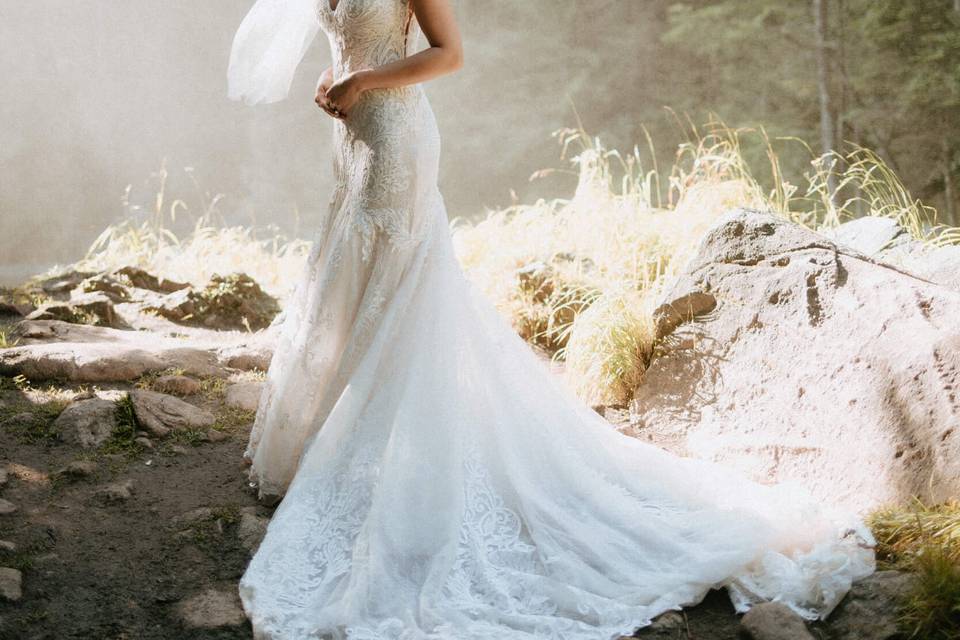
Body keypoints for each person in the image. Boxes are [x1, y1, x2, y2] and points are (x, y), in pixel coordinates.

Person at [227, 1, 876, 637]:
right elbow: (346, 41)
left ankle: (389, 448)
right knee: (352, 272)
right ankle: (339, 440)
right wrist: (332, 79)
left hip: (397, 137)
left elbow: (449, 52)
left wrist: (365, 79)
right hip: (351, 141)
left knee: (400, 284)